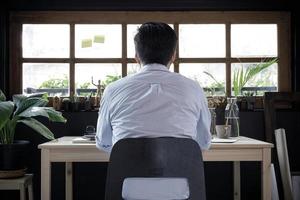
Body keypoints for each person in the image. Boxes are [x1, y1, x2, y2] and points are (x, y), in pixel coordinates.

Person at [96, 22, 211, 152]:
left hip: (127, 171)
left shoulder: (112, 90)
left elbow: (103, 142)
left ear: (136, 56)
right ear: (173, 56)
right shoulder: (194, 89)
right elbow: (203, 143)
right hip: (182, 171)